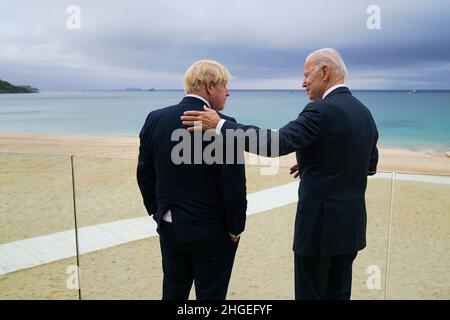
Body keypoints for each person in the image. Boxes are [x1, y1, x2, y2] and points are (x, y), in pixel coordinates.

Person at [180, 48, 379, 300]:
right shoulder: (364, 112)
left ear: (325, 72)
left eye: (307, 75)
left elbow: (275, 143)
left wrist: (219, 124)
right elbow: (368, 165)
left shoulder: (318, 111)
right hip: (351, 226)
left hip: (319, 228)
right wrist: (312, 165)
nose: (303, 82)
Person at [137, 59, 247, 300]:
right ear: (210, 87)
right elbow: (234, 186)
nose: (228, 93)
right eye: (225, 86)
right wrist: (236, 227)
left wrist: (158, 212)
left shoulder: (155, 119)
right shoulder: (224, 127)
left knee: (173, 293)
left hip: (170, 227)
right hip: (213, 233)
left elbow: (144, 174)